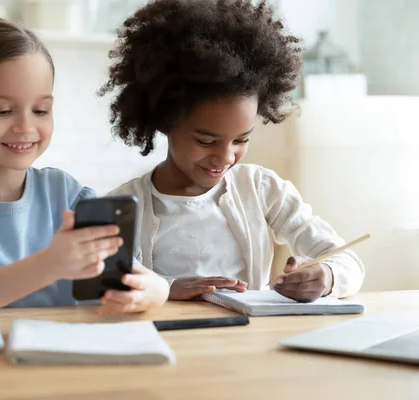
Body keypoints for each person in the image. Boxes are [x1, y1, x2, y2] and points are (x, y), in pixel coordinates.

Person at [101, 0, 365, 303]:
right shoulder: (123, 206)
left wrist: (327, 277)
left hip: (246, 343)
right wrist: (167, 288)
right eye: (206, 141)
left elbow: (349, 262)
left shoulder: (263, 189)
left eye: (241, 140)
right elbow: (100, 288)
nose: (226, 158)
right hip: (168, 344)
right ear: (164, 121)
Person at [0, 17, 169, 317]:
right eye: (3, 111)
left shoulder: (67, 193)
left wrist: (156, 290)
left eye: (40, 110)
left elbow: (128, 273)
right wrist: (52, 263)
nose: (25, 126)